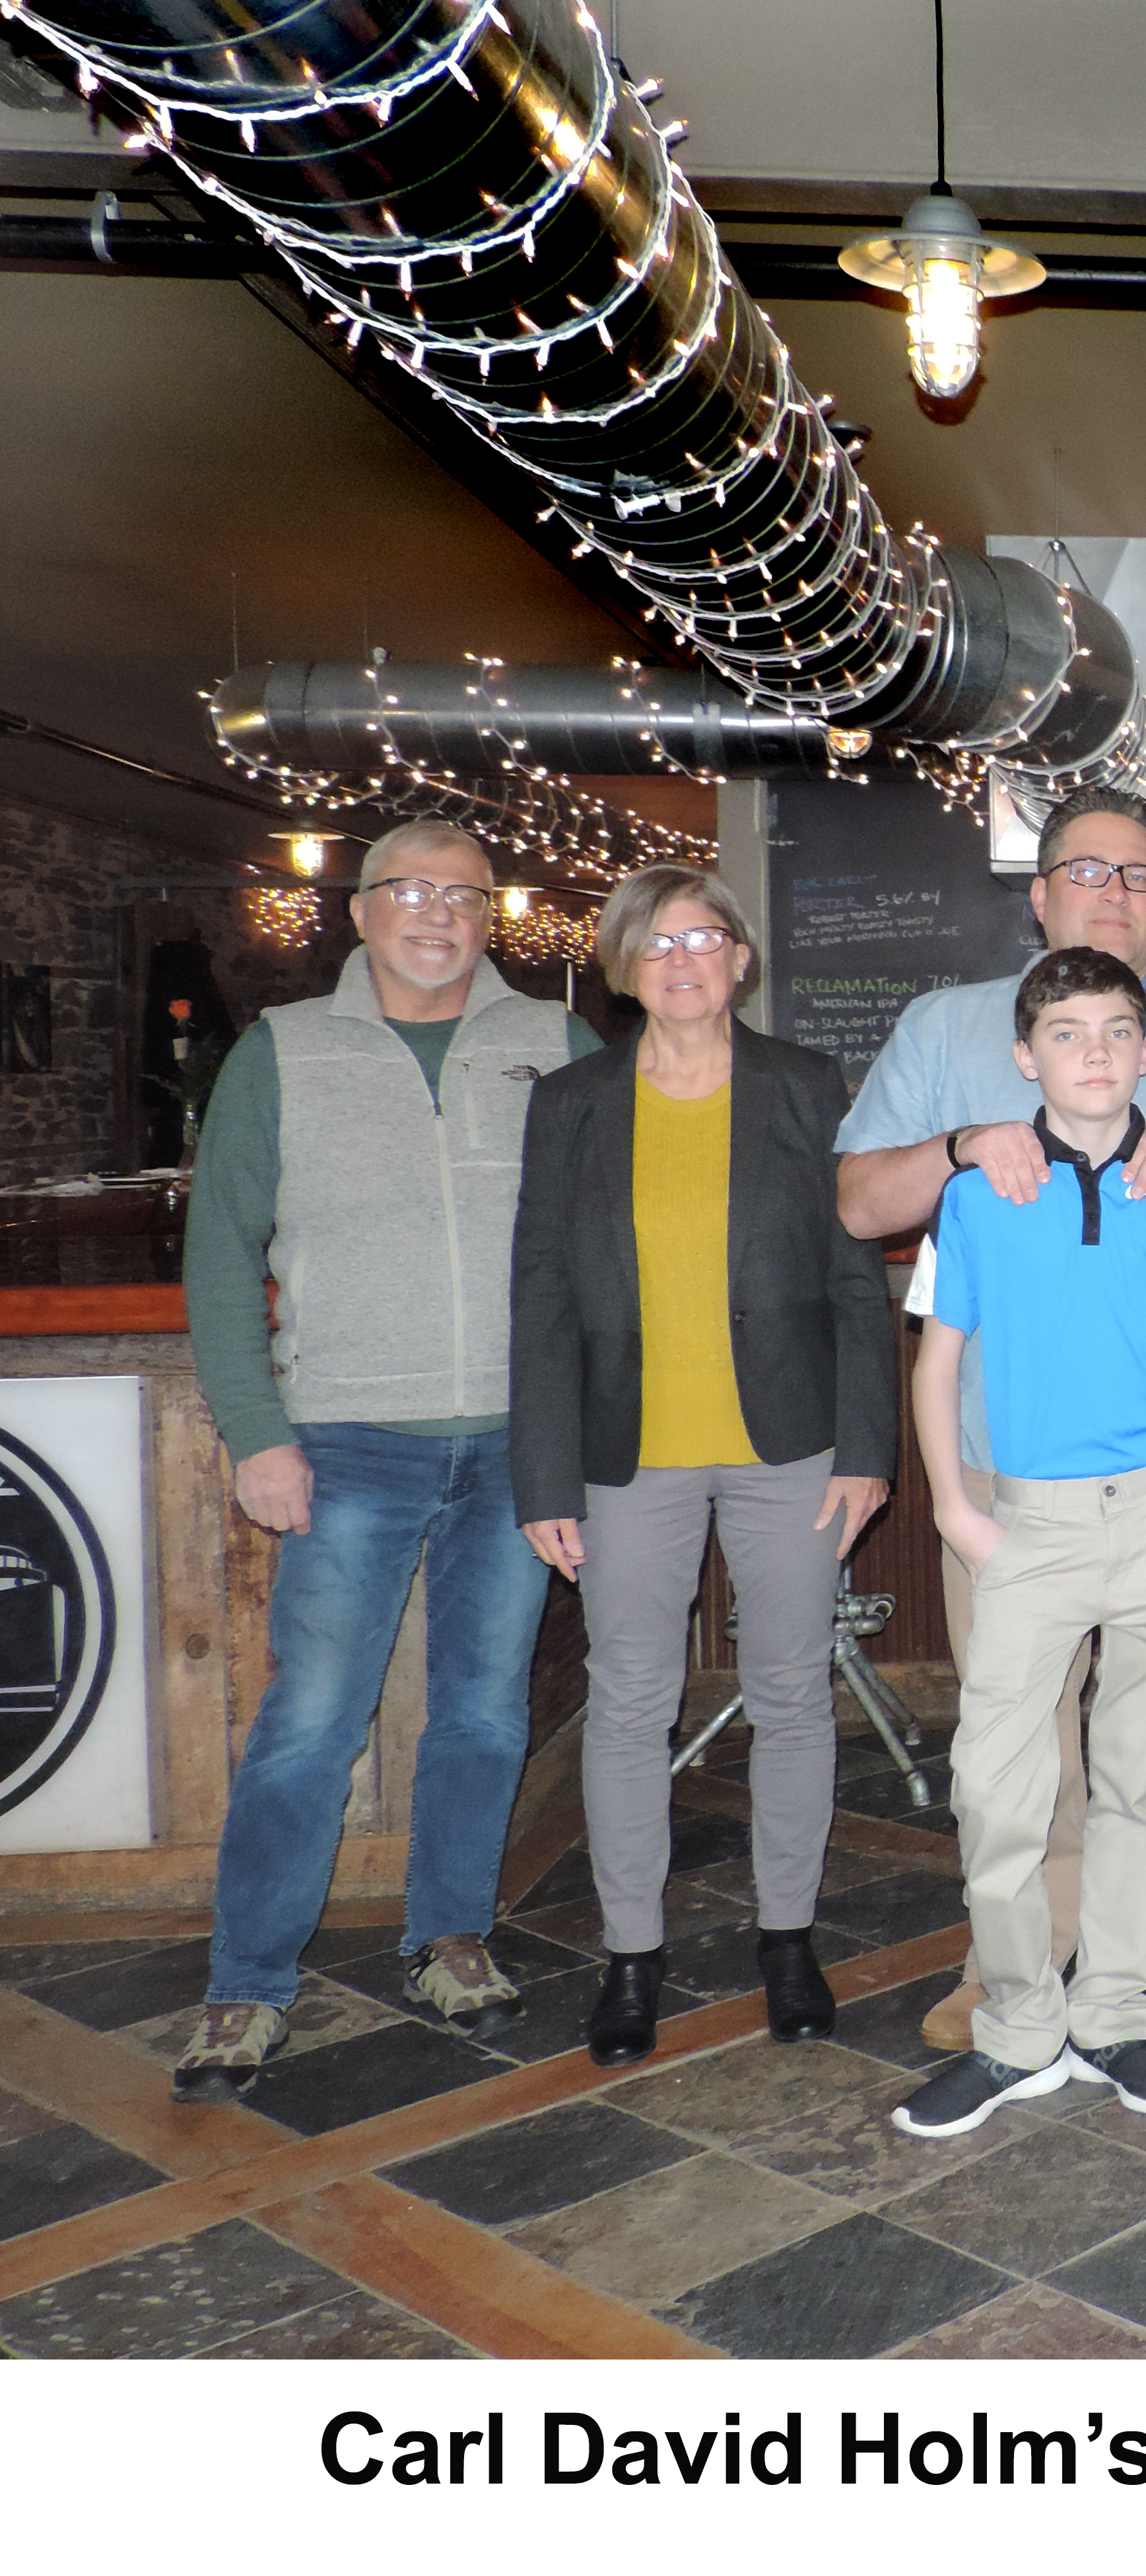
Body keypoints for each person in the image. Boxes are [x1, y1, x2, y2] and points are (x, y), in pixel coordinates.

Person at [836, 787, 1146, 2049]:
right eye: (1087, 871)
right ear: (1035, 894)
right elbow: (856, 1203)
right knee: (1017, 1721)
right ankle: (1023, 1963)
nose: (1116, 892)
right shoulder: (946, 1030)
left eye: (1143, 876)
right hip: (1009, 1468)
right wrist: (959, 1149)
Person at [170, 818, 601, 2101]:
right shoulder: (281, 1054)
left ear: (492, 916)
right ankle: (247, 1983)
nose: (437, 912)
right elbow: (218, 1255)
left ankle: (451, 1934)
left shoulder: (555, 1045)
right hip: (347, 1440)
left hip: (516, 1443)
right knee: (311, 1721)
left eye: (464, 894)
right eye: (410, 890)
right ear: (359, 912)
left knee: (483, 1707)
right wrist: (259, 1431)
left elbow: (606, 1247)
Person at [510, 867, 898, 2070]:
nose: (682, 960)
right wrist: (544, 1476)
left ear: (739, 959)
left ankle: (788, 1936)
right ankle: (634, 1955)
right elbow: (541, 1291)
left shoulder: (803, 1087)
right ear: (625, 969)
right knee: (630, 1700)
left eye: (705, 937)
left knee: (790, 1694)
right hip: (626, 1454)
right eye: (656, 943)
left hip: (791, 1448)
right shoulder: (572, 1102)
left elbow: (854, 1279)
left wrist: (869, 1450)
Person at [893, 946, 1146, 2134]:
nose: (1092, 1054)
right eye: (1066, 1033)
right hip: (1029, 1519)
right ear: (1023, 1055)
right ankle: (1018, 2031)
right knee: (999, 1788)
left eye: (1115, 1032)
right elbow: (939, 1363)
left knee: (1139, 1784)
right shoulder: (981, 1193)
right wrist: (952, 1506)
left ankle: (1112, 2016)